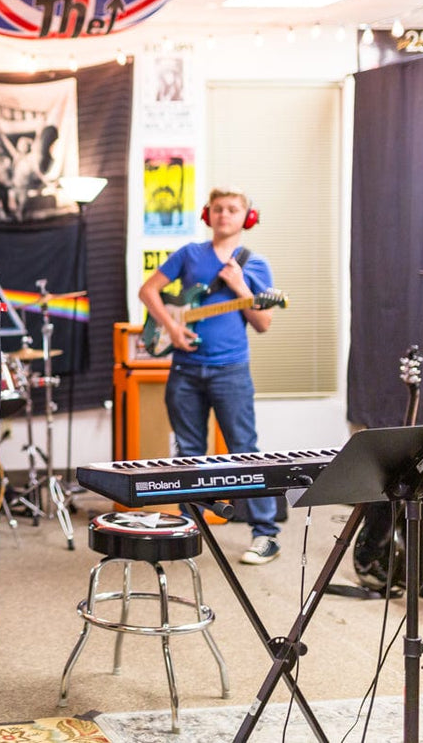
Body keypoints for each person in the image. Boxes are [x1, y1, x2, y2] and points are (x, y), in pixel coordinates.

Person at [137, 186, 280, 565]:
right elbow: (149, 291)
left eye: (232, 209)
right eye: (217, 209)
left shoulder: (255, 264)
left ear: (247, 217)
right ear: (207, 215)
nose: (224, 215)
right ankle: (189, 529)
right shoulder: (189, 255)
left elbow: (264, 322)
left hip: (230, 371)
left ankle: (265, 534)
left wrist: (239, 286)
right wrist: (172, 325)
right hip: (184, 370)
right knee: (188, 454)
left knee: (244, 452)